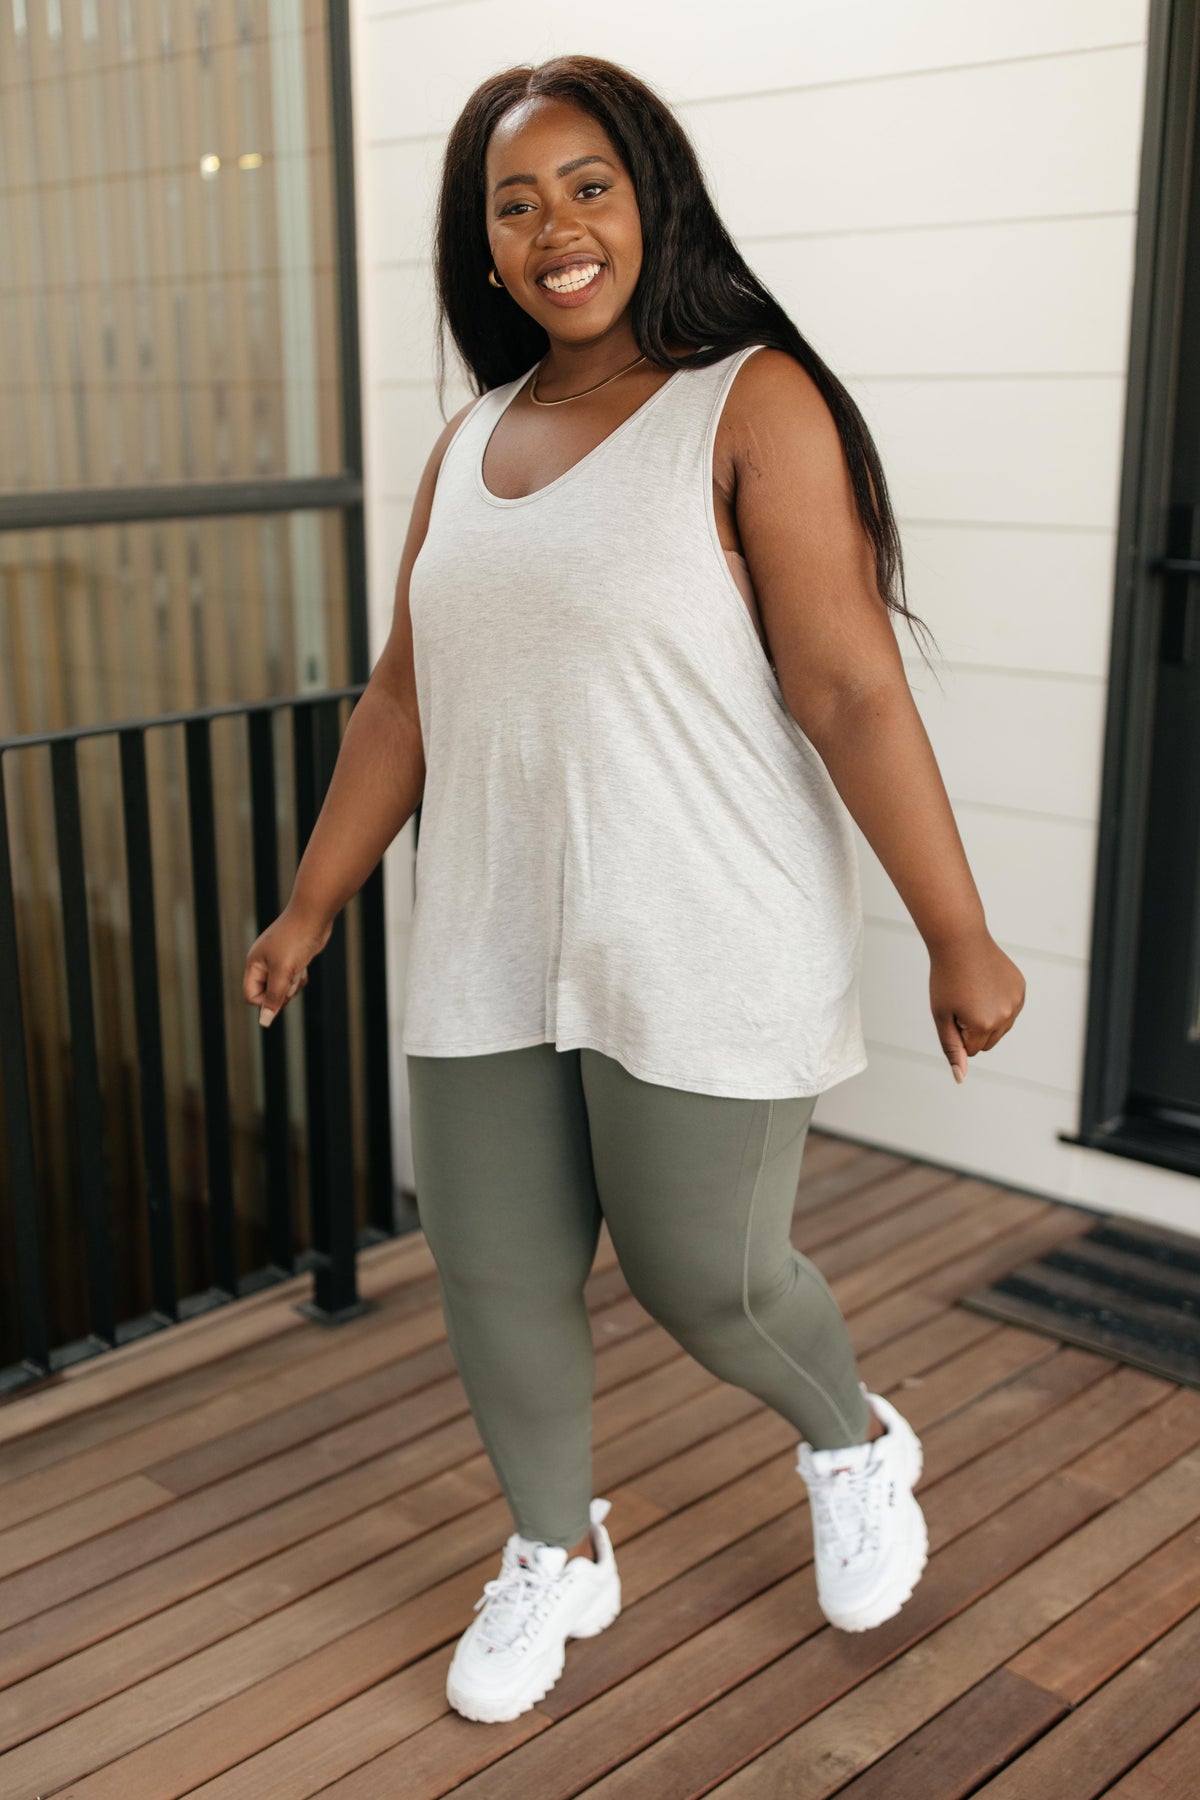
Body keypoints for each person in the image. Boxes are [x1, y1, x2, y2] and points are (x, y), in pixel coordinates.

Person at [243, 53, 1026, 1728]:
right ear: (484, 246)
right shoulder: (469, 444)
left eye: (587, 186)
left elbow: (848, 688)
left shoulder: (751, 403)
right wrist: (314, 902)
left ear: (653, 194)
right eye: (514, 205)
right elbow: (403, 698)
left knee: (709, 1277)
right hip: (488, 939)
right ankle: (556, 1548)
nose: (556, 229)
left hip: (704, 931)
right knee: (495, 1273)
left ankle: (853, 1442)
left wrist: (957, 928)